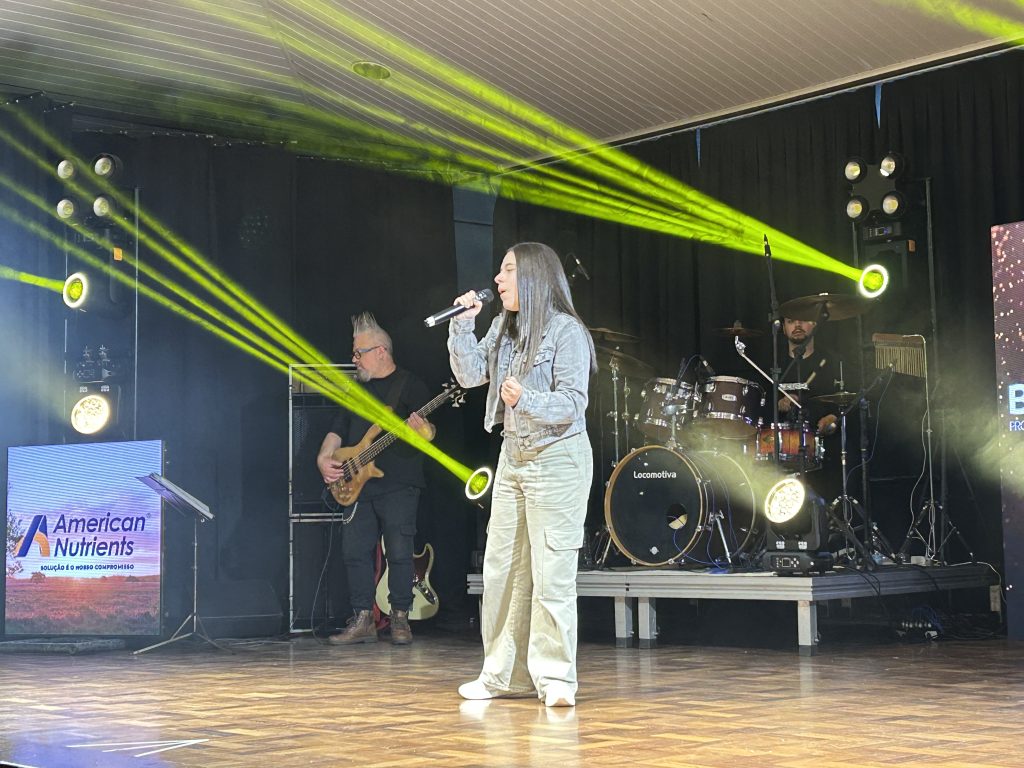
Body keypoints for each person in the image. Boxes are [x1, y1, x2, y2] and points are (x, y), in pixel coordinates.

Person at [448, 242, 596, 708]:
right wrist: (462, 323)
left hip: (557, 458)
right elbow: (470, 375)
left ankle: (555, 678)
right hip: (514, 457)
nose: (497, 279)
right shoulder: (502, 327)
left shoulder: (567, 331)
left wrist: (525, 399)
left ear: (533, 276)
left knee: (552, 573)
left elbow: (573, 403)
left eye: (508, 270)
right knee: (502, 571)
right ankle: (502, 676)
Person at [316, 312, 435, 646]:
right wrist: (323, 458)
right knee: (354, 551)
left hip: (399, 482)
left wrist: (424, 432)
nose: (354, 359)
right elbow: (338, 428)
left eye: (359, 353)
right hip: (357, 483)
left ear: (381, 351)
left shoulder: (410, 385)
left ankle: (400, 618)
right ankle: (362, 619)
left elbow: (429, 432)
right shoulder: (356, 390)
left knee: (399, 550)